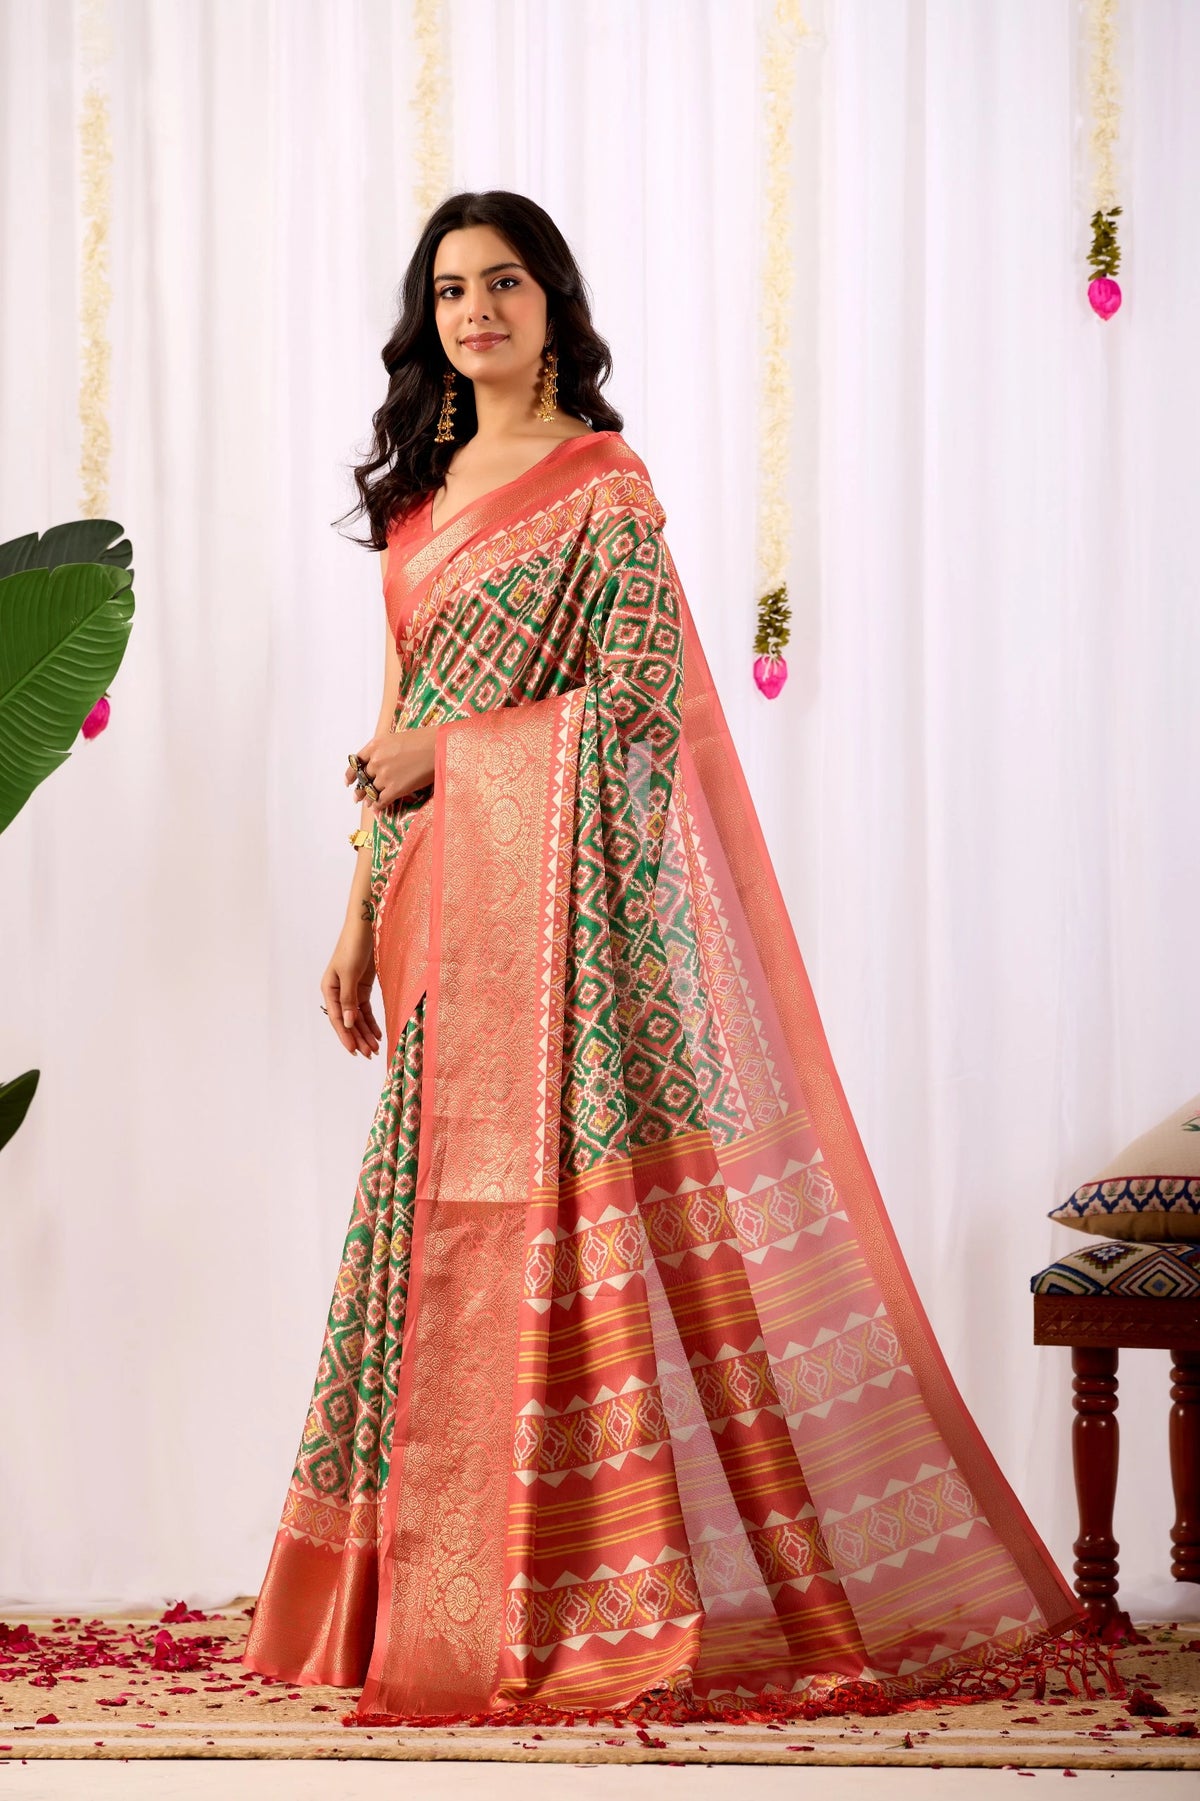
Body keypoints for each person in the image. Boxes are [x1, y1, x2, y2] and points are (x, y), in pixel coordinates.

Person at [244, 191, 1078, 1720]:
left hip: (567, 953)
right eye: (448, 291)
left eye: (503, 283)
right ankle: (407, 1599)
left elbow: (639, 710)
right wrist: (357, 911)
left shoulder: (604, 488)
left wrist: (457, 754)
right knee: (426, 1243)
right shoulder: (420, 506)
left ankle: (588, 1595)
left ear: (554, 303)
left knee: (586, 1249)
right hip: (443, 924)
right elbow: (392, 739)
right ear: (426, 321)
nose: (475, 311)